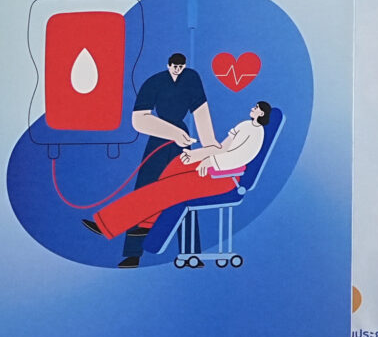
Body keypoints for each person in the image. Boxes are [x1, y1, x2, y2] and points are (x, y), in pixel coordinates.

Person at [84, 101, 274, 240]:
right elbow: (222, 147)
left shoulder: (257, 134)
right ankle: (149, 223)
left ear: (261, 113)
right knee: (177, 163)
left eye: (257, 107)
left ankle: (107, 223)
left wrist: (210, 161)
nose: (253, 108)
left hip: (226, 177)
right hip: (215, 165)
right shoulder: (244, 125)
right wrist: (196, 155)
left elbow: (241, 157)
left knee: (167, 189)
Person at [114, 52, 214, 267]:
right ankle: (133, 253)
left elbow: (201, 115)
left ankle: (191, 252)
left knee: (185, 194)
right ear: (168, 65)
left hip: (183, 144)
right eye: (174, 65)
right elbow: (139, 120)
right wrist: (173, 133)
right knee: (145, 192)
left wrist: (210, 148)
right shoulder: (154, 82)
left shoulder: (192, 78)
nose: (177, 69)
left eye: (181, 66)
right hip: (158, 138)